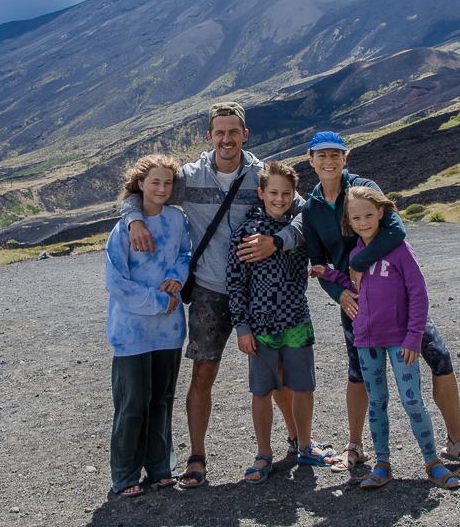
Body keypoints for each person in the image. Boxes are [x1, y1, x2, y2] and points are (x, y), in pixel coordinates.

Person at [120, 102, 305, 488]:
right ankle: (197, 457)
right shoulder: (187, 178)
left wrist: (278, 240)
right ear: (209, 136)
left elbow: (305, 213)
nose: (226, 138)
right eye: (219, 132)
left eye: (233, 131)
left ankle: (298, 441)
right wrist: (134, 217)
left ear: (245, 135)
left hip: (261, 294)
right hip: (208, 291)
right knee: (203, 373)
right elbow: (144, 190)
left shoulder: (262, 174)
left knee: (279, 373)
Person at [302, 131, 460, 473]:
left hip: (396, 294)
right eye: (321, 155)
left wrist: (358, 263)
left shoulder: (362, 186)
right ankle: (355, 447)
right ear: (310, 159)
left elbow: (396, 231)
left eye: (335, 154)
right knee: (358, 372)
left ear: (345, 158)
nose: (328, 161)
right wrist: (339, 294)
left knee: (439, 357)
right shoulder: (312, 208)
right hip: (356, 303)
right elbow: (318, 262)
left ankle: (456, 443)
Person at [310, 186, 460, 490]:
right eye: (356, 218)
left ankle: (433, 463)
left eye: (369, 215)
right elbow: (354, 286)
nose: (363, 222)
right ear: (349, 222)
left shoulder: (399, 250)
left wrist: (414, 336)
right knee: (377, 402)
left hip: (400, 340)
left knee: (412, 401)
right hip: (366, 339)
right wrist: (327, 273)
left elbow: (418, 293)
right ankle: (383, 464)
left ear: (381, 213)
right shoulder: (356, 255)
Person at [227, 162, 336, 484]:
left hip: (297, 320)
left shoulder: (301, 231)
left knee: (303, 386)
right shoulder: (245, 233)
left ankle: (304, 445)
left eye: (286, 193)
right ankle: (263, 454)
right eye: (273, 192)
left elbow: (321, 256)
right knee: (261, 390)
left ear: (294, 195)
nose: (279, 199)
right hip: (260, 328)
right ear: (261, 193)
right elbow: (235, 284)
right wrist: (242, 328)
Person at [104, 155, 192, 497]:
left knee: (162, 400)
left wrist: (176, 277)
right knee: (132, 404)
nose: (162, 189)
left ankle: (160, 468)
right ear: (140, 185)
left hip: (168, 332)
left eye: (168, 183)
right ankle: (124, 475)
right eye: (155, 182)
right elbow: (117, 283)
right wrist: (160, 302)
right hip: (132, 332)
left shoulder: (176, 219)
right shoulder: (123, 230)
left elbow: (185, 254)